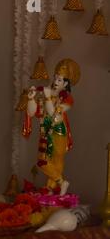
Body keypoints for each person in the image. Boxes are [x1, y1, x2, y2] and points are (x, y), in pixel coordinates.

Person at [23, 59, 80, 196]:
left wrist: (48, 97)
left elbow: (52, 113)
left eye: (59, 80)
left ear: (65, 83)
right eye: (55, 77)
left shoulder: (67, 98)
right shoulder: (45, 95)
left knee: (56, 161)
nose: (55, 81)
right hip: (46, 132)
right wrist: (31, 99)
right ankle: (61, 183)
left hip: (58, 132)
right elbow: (31, 112)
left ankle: (51, 189)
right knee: (43, 161)